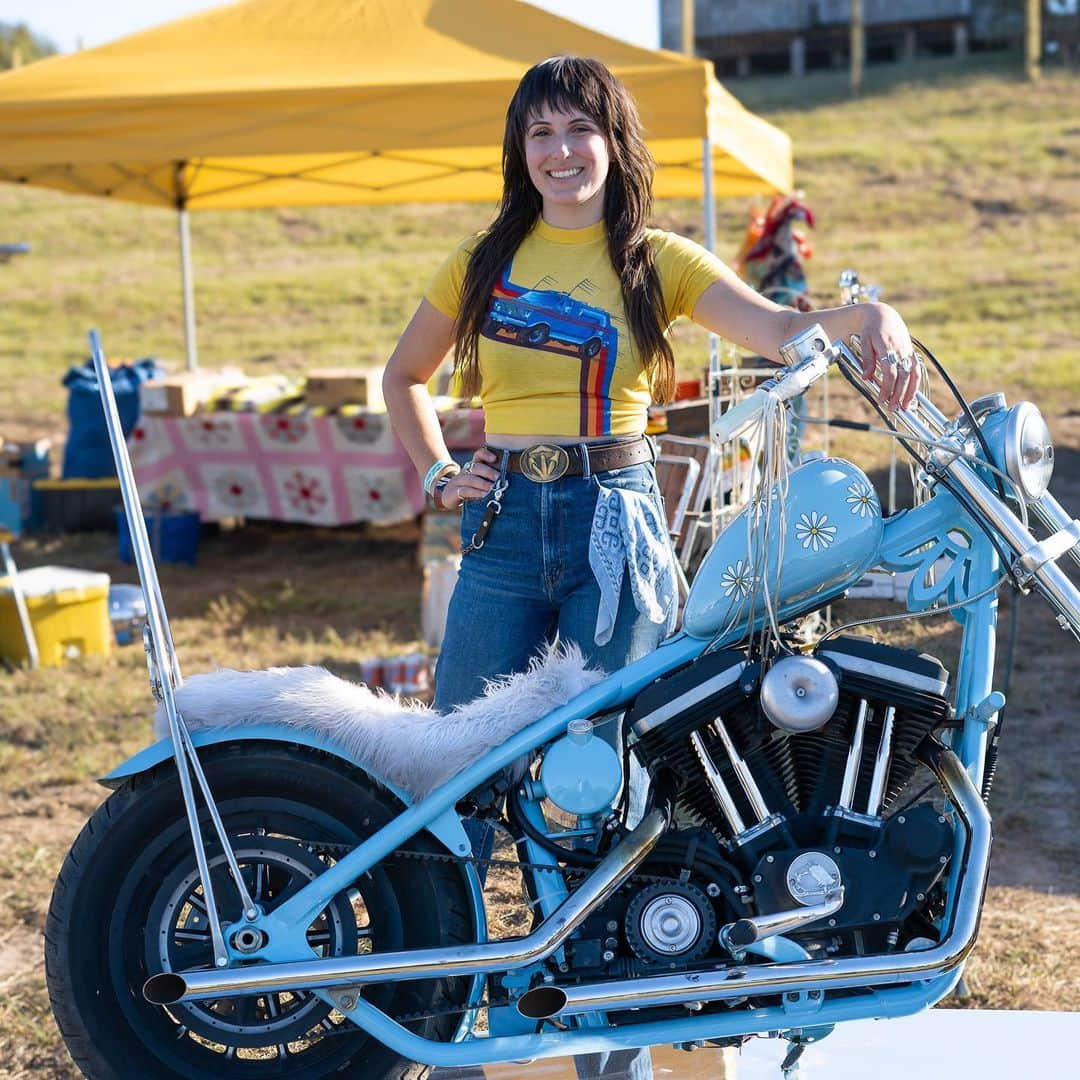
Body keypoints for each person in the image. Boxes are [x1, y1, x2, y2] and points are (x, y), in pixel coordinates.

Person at [383, 55, 918, 1078]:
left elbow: (778, 332)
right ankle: (428, 1025)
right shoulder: (485, 258)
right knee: (456, 773)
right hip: (504, 528)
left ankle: (607, 1047)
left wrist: (868, 317)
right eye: (539, 133)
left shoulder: (654, 257)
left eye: (579, 130)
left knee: (613, 782)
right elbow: (401, 375)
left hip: (616, 531)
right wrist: (443, 472)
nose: (559, 152)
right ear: (519, 150)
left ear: (613, 143)